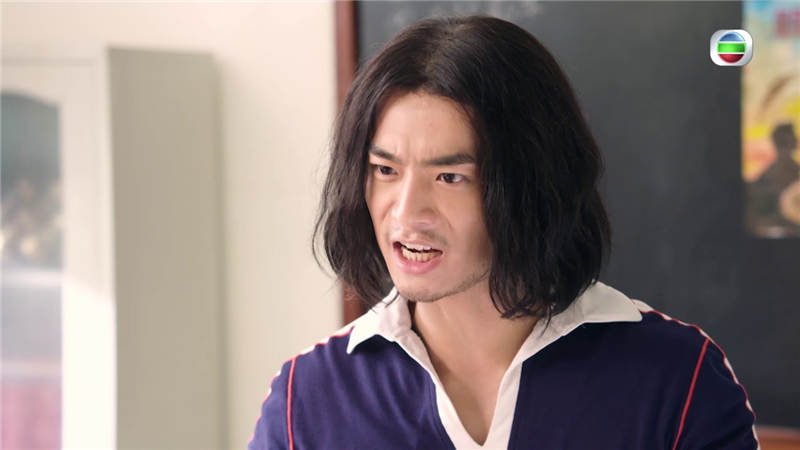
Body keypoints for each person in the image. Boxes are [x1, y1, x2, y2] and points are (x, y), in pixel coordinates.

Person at [249, 15, 758, 449]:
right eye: (385, 170)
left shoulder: (678, 379)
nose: (406, 213)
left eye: (450, 177)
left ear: (533, 182)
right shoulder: (307, 399)